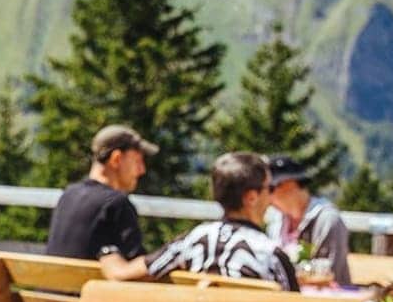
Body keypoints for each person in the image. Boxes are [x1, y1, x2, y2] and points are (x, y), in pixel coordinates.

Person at [146, 152, 299, 290]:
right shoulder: (270, 254)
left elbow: (142, 270)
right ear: (251, 197)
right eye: (270, 188)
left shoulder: (193, 239)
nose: (271, 197)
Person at [45, 124, 157, 280]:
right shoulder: (116, 204)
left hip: (47, 293)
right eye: (137, 161)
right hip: (88, 295)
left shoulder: (68, 194)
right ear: (116, 159)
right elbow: (137, 272)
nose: (142, 170)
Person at [262, 155, 351, 286]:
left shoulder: (327, 219)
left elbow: (330, 272)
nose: (266, 197)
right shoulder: (275, 219)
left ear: (289, 184)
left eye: (270, 189)